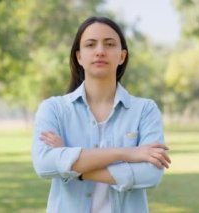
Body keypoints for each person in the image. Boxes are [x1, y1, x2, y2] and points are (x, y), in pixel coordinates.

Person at [32, 16, 171, 213]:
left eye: (109, 44)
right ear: (79, 57)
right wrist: (127, 153)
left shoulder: (145, 110)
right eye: (90, 44)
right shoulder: (54, 109)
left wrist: (76, 168)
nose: (100, 51)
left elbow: (150, 174)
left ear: (122, 56)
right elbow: (44, 164)